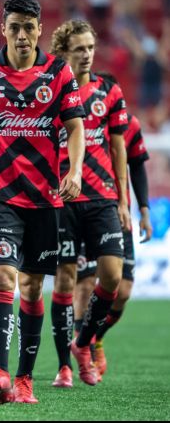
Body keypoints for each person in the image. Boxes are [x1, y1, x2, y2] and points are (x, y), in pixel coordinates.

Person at [0, 0, 85, 404]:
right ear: (2, 29)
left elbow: (75, 127)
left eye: (29, 26)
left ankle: (25, 378)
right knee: (2, 278)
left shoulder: (59, 73)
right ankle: (1, 373)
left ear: (40, 29)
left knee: (31, 287)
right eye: (14, 27)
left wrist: (74, 171)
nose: (22, 35)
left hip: (44, 198)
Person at [48, 20, 130, 388]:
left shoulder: (109, 92)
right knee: (65, 280)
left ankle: (83, 343)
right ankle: (65, 365)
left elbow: (118, 148)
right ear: (63, 52)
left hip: (102, 198)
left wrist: (124, 201)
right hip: (61, 199)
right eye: (79, 49)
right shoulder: (48, 91)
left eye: (90, 48)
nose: (86, 55)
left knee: (111, 276)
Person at [74, 108, 153, 381]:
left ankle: (94, 337)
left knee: (123, 290)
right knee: (84, 283)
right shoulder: (79, 120)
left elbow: (138, 165)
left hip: (117, 214)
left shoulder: (129, 124)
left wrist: (143, 209)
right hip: (83, 209)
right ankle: (81, 351)